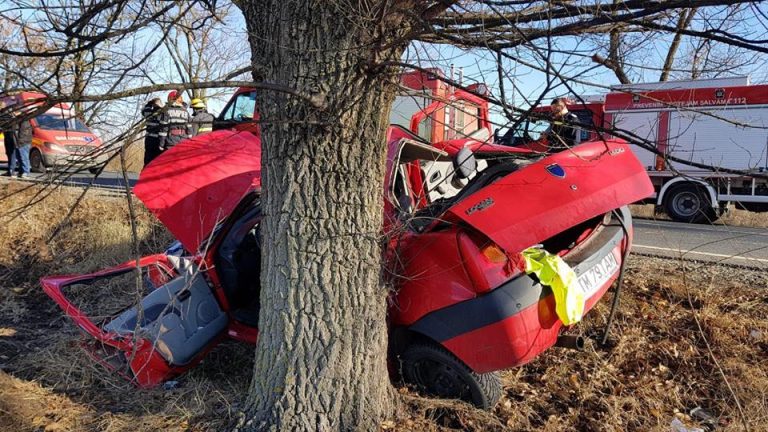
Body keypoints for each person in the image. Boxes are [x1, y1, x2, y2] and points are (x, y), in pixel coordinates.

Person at [5, 109, 32, 178]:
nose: (13, 113)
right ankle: (21, 172)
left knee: (24, 157)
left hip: (23, 142)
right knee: (20, 157)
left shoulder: (23, 120)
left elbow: (23, 132)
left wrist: (20, 141)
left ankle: (26, 172)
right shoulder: (18, 120)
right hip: (19, 142)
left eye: (15, 112)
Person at [141, 97, 164, 167]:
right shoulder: (163, 113)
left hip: (149, 139)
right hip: (158, 140)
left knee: (148, 160)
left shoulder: (148, 113)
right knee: (157, 161)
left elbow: (145, 109)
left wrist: (149, 103)